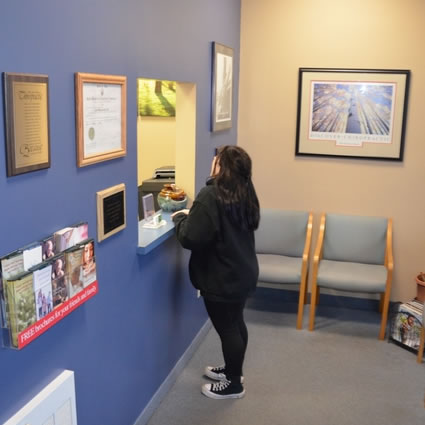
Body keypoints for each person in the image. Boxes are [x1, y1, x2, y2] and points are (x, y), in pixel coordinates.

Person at [172, 145, 260, 400]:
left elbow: (190, 237)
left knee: (228, 328)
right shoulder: (245, 191)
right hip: (242, 271)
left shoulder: (211, 195)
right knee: (235, 323)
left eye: (215, 161)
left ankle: (233, 385)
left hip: (221, 277)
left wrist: (180, 219)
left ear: (220, 167)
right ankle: (234, 371)